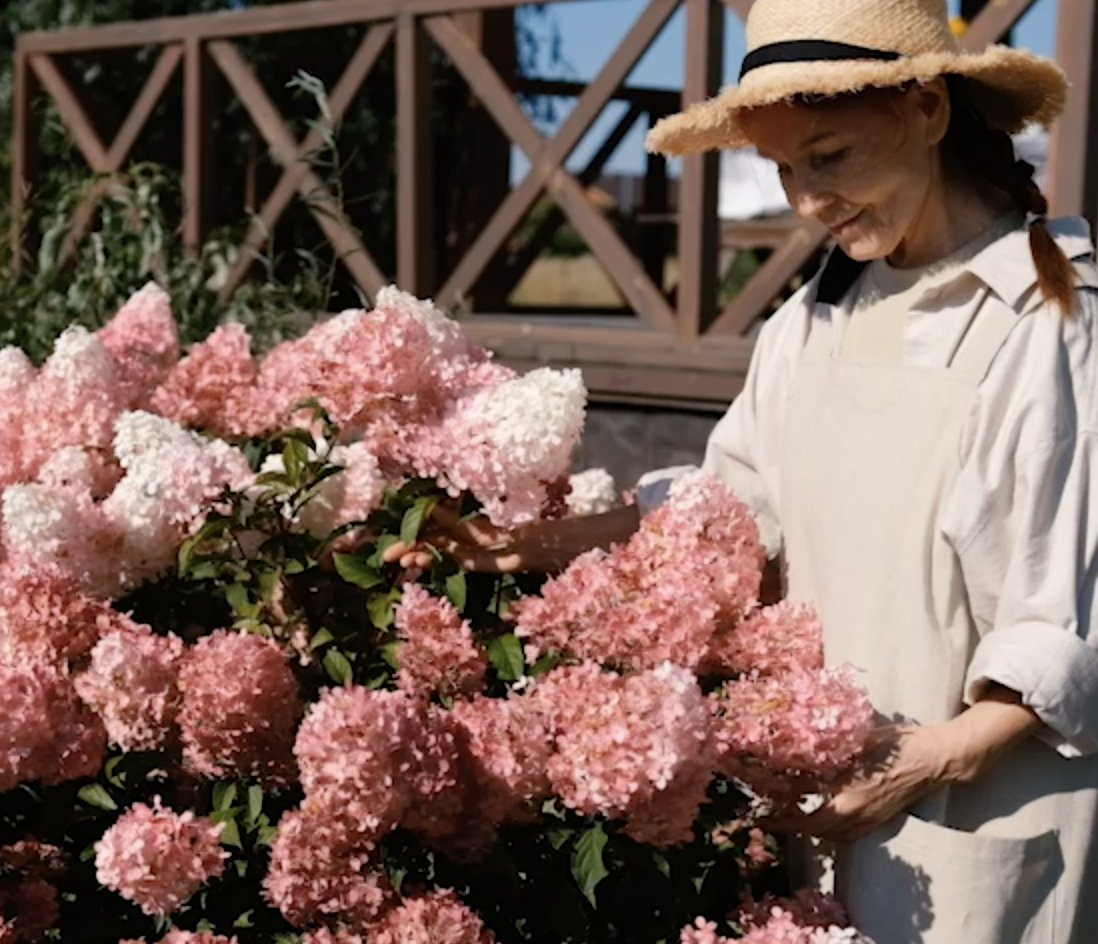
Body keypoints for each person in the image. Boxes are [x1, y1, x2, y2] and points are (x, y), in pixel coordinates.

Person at [387, 1, 1098, 941]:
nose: (807, 201)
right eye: (783, 170)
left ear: (929, 110)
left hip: (977, 817)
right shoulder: (813, 320)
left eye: (830, 155)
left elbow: (1065, 622)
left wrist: (928, 760)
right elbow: (730, 510)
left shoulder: (1049, 321)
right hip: (835, 810)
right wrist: (526, 548)